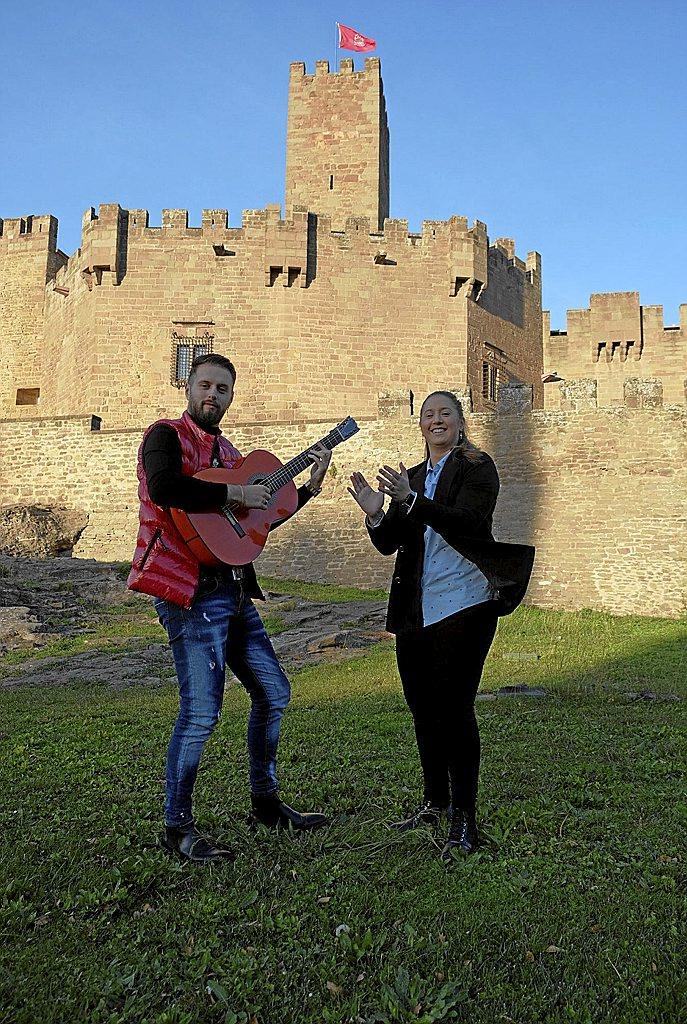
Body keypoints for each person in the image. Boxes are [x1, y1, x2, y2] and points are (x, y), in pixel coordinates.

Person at [127, 353, 332, 863]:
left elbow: (248, 529)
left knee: (274, 692)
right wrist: (238, 491)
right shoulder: (165, 436)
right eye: (205, 385)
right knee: (200, 713)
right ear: (188, 387)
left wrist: (306, 491)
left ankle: (265, 803)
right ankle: (177, 828)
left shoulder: (230, 453)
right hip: (189, 593)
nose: (213, 395)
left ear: (232, 397)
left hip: (234, 590)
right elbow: (165, 487)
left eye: (223, 388)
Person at [348, 391, 534, 858]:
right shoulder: (410, 478)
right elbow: (392, 544)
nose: (436, 421)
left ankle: (465, 818)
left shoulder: (477, 467)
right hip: (416, 609)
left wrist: (413, 501)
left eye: (444, 413)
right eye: (428, 415)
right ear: (421, 426)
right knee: (422, 708)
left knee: (455, 708)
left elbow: (468, 522)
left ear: (459, 421)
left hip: (465, 603)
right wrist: (376, 511)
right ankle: (434, 802)